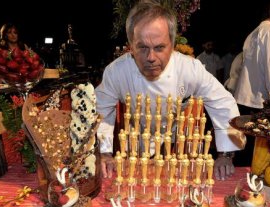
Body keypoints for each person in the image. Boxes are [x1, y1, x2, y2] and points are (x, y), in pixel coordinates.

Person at [95, 0, 246, 181]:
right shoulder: (116, 72)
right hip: (135, 141)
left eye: (159, 48)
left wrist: (226, 155)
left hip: (176, 142)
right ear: (130, 45)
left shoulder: (189, 69)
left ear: (172, 44)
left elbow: (222, 102)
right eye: (142, 47)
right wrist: (104, 153)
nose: (151, 57)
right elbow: (101, 109)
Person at [232, 1, 270, 166]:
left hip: (244, 94)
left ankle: (239, 173)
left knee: (243, 140)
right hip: (259, 97)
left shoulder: (254, 32)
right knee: (258, 145)